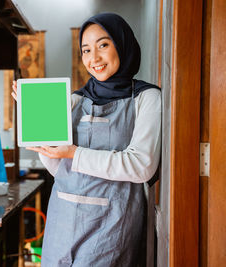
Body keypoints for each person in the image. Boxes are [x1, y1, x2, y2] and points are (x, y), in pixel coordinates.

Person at [12, 13, 161, 267]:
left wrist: (72, 153)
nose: (94, 58)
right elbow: (59, 168)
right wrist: (38, 121)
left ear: (122, 44)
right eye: (86, 50)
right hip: (62, 222)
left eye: (103, 45)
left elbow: (141, 166)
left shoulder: (146, 98)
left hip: (112, 226)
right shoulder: (73, 100)